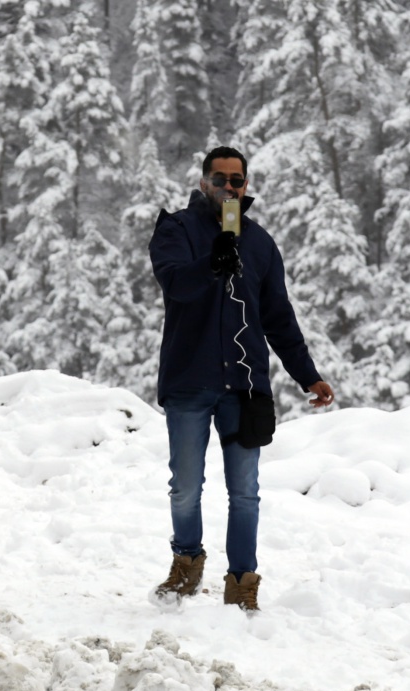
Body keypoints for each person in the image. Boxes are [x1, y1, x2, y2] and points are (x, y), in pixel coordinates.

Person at [148, 146, 334, 612]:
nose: (229, 187)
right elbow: (176, 286)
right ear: (203, 181)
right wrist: (213, 259)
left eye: (238, 181)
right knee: (186, 486)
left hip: (246, 387)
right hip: (189, 380)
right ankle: (187, 561)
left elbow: (278, 316)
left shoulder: (260, 243)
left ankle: (241, 580)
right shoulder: (176, 229)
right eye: (221, 178)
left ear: (245, 186)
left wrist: (307, 376)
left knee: (245, 492)